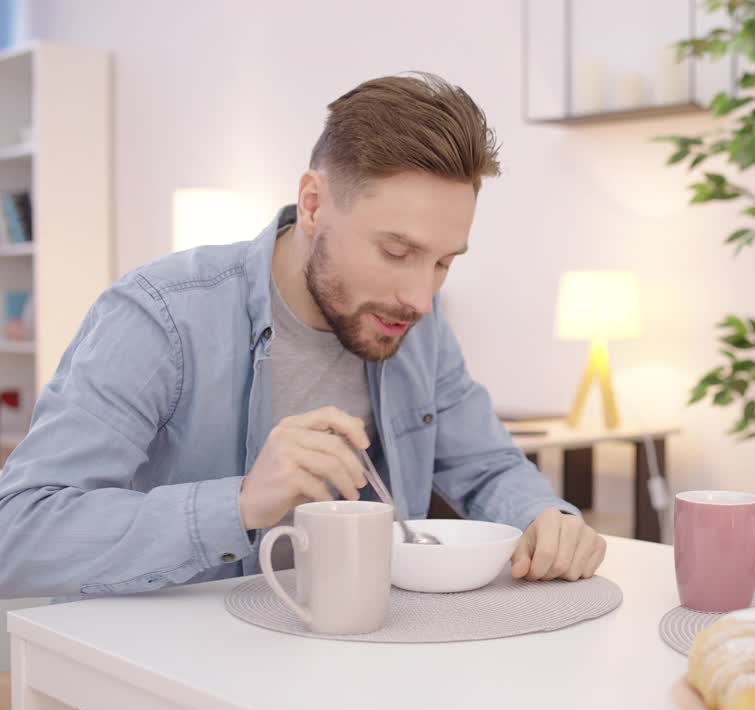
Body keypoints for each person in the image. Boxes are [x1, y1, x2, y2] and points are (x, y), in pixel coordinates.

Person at [0, 72, 606, 600]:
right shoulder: (159, 317)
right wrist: (239, 503)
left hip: (352, 665)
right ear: (313, 203)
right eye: (397, 251)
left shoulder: (415, 320)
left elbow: (487, 465)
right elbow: (19, 534)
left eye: (445, 262)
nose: (422, 297)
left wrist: (545, 517)